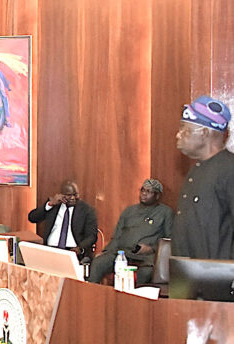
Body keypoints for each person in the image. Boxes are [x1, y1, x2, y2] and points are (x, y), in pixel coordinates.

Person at [172, 95, 234, 259]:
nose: (178, 135)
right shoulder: (196, 170)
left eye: (185, 130)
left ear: (204, 133)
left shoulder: (229, 169)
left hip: (218, 273)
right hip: (188, 271)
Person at [87, 179, 174, 284]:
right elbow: (117, 236)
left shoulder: (165, 212)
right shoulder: (129, 211)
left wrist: (151, 249)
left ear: (157, 195)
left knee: (146, 273)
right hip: (122, 253)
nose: (144, 194)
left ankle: (133, 295)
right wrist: (105, 251)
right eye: (143, 190)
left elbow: (169, 241)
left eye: (149, 191)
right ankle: (91, 293)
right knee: (98, 263)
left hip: (147, 257)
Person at [27, 180, 98, 263]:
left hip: (73, 251)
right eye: (69, 195)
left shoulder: (87, 210)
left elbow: (92, 236)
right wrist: (50, 204)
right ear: (61, 195)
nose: (73, 198)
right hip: (50, 249)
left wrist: (80, 248)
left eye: (75, 194)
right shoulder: (54, 206)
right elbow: (32, 218)